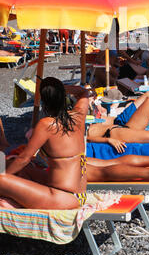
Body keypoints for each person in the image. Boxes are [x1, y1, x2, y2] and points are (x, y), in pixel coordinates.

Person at [0, 118, 149, 189]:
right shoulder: (58, 120)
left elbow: (20, 160)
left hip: (52, 166)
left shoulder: (8, 155)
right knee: (108, 164)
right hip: (62, 158)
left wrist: (7, 170)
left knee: (104, 172)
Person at [0, 78, 90, 209]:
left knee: (3, 179)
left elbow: (24, 158)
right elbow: (84, 93)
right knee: (25, 172)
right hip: (78, 195)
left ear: (44, 102)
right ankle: (14, 202)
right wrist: (60, 88)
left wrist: (5, 178)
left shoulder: (46, 124)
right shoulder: (78, 115)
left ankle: (13, 203)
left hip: (61, 197)